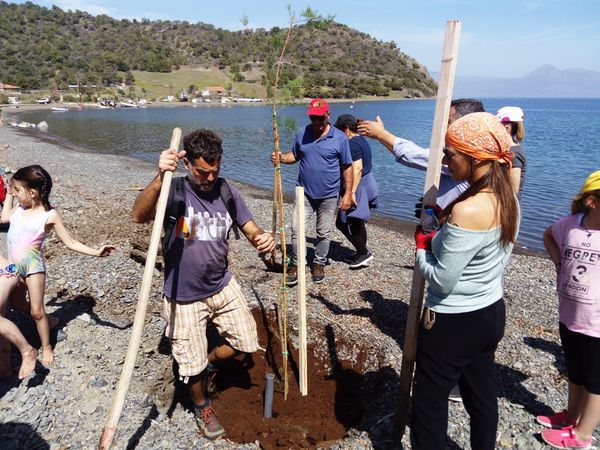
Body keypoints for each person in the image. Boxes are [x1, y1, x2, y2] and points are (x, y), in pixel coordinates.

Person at [132, 129, 275, 440]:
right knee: (189, 363)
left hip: (222, 285)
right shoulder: (174, 189)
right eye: (202, 172)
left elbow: (250, 228)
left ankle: (209, 364)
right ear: (187, 165)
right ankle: (201, 405)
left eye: (215, 171)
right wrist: (159, 176)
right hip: (183, 295)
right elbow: (138, 215)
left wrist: (262, 239)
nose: (209, 178)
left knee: (244, 342)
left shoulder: (226, 191)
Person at [411, 112, 519, 449]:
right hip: (489, 311)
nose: (445, 161)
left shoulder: (468, 209)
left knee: (429, 403)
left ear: (474, 158)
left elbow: (443, 280)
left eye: (450, 154)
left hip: (452, 321)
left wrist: (421, 250)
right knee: (481, 393)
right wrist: (441, 232)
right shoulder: (509, 199)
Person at [0, 165, 115, 379]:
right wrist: (8, 195)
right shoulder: (19, 209)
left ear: (32, 193)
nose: (14, 193)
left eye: (17, 189)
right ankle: (51, 320)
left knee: (36, 310)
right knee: (16, 304)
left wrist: (96, 252)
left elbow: (70, 242)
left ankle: (46, 346)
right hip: (15, 268)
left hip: (34, 268)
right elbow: (4, 217)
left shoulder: (49, 215)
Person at [536, 171, 600, 450]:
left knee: (596, 380)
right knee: (575, 371)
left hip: (597, 323)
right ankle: (570, 416)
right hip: (570, 315)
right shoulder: (570, 225)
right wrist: (558, 262)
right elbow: (548, 235)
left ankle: (583, 435)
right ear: (592, 202)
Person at [271, 98, 353, 285]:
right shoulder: (302, 133)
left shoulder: (339, 138)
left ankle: (319, 263)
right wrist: (281, 158)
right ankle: (296, 264)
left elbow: (347, 167)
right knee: (296, 229)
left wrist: (348, 194)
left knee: (323, 233)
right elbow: (294, 155)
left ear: (328, 115)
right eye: (313, 118)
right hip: (304, 194)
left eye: (320, 118)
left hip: (329, 195)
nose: (316, 122)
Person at [357, 98, 484, 209]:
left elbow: (414, 156)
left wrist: (381, 134)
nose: (443, 127)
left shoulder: (467, 156)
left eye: (448, 122)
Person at [333, 114, 379, 268]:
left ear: (346, 129)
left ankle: (364, 253)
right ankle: (361, 253)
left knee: (343, 221)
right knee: (357, 221)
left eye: (339, 130)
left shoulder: (352, 144)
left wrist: (350, 192)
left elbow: (357, 169)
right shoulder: (361, 140)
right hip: (367, 183)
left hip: (358, 186)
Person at [495, 106, 527, 198]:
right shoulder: (507, 151)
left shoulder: (513, 154)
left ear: (507, 128)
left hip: (507, 208)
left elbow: (513, 189)